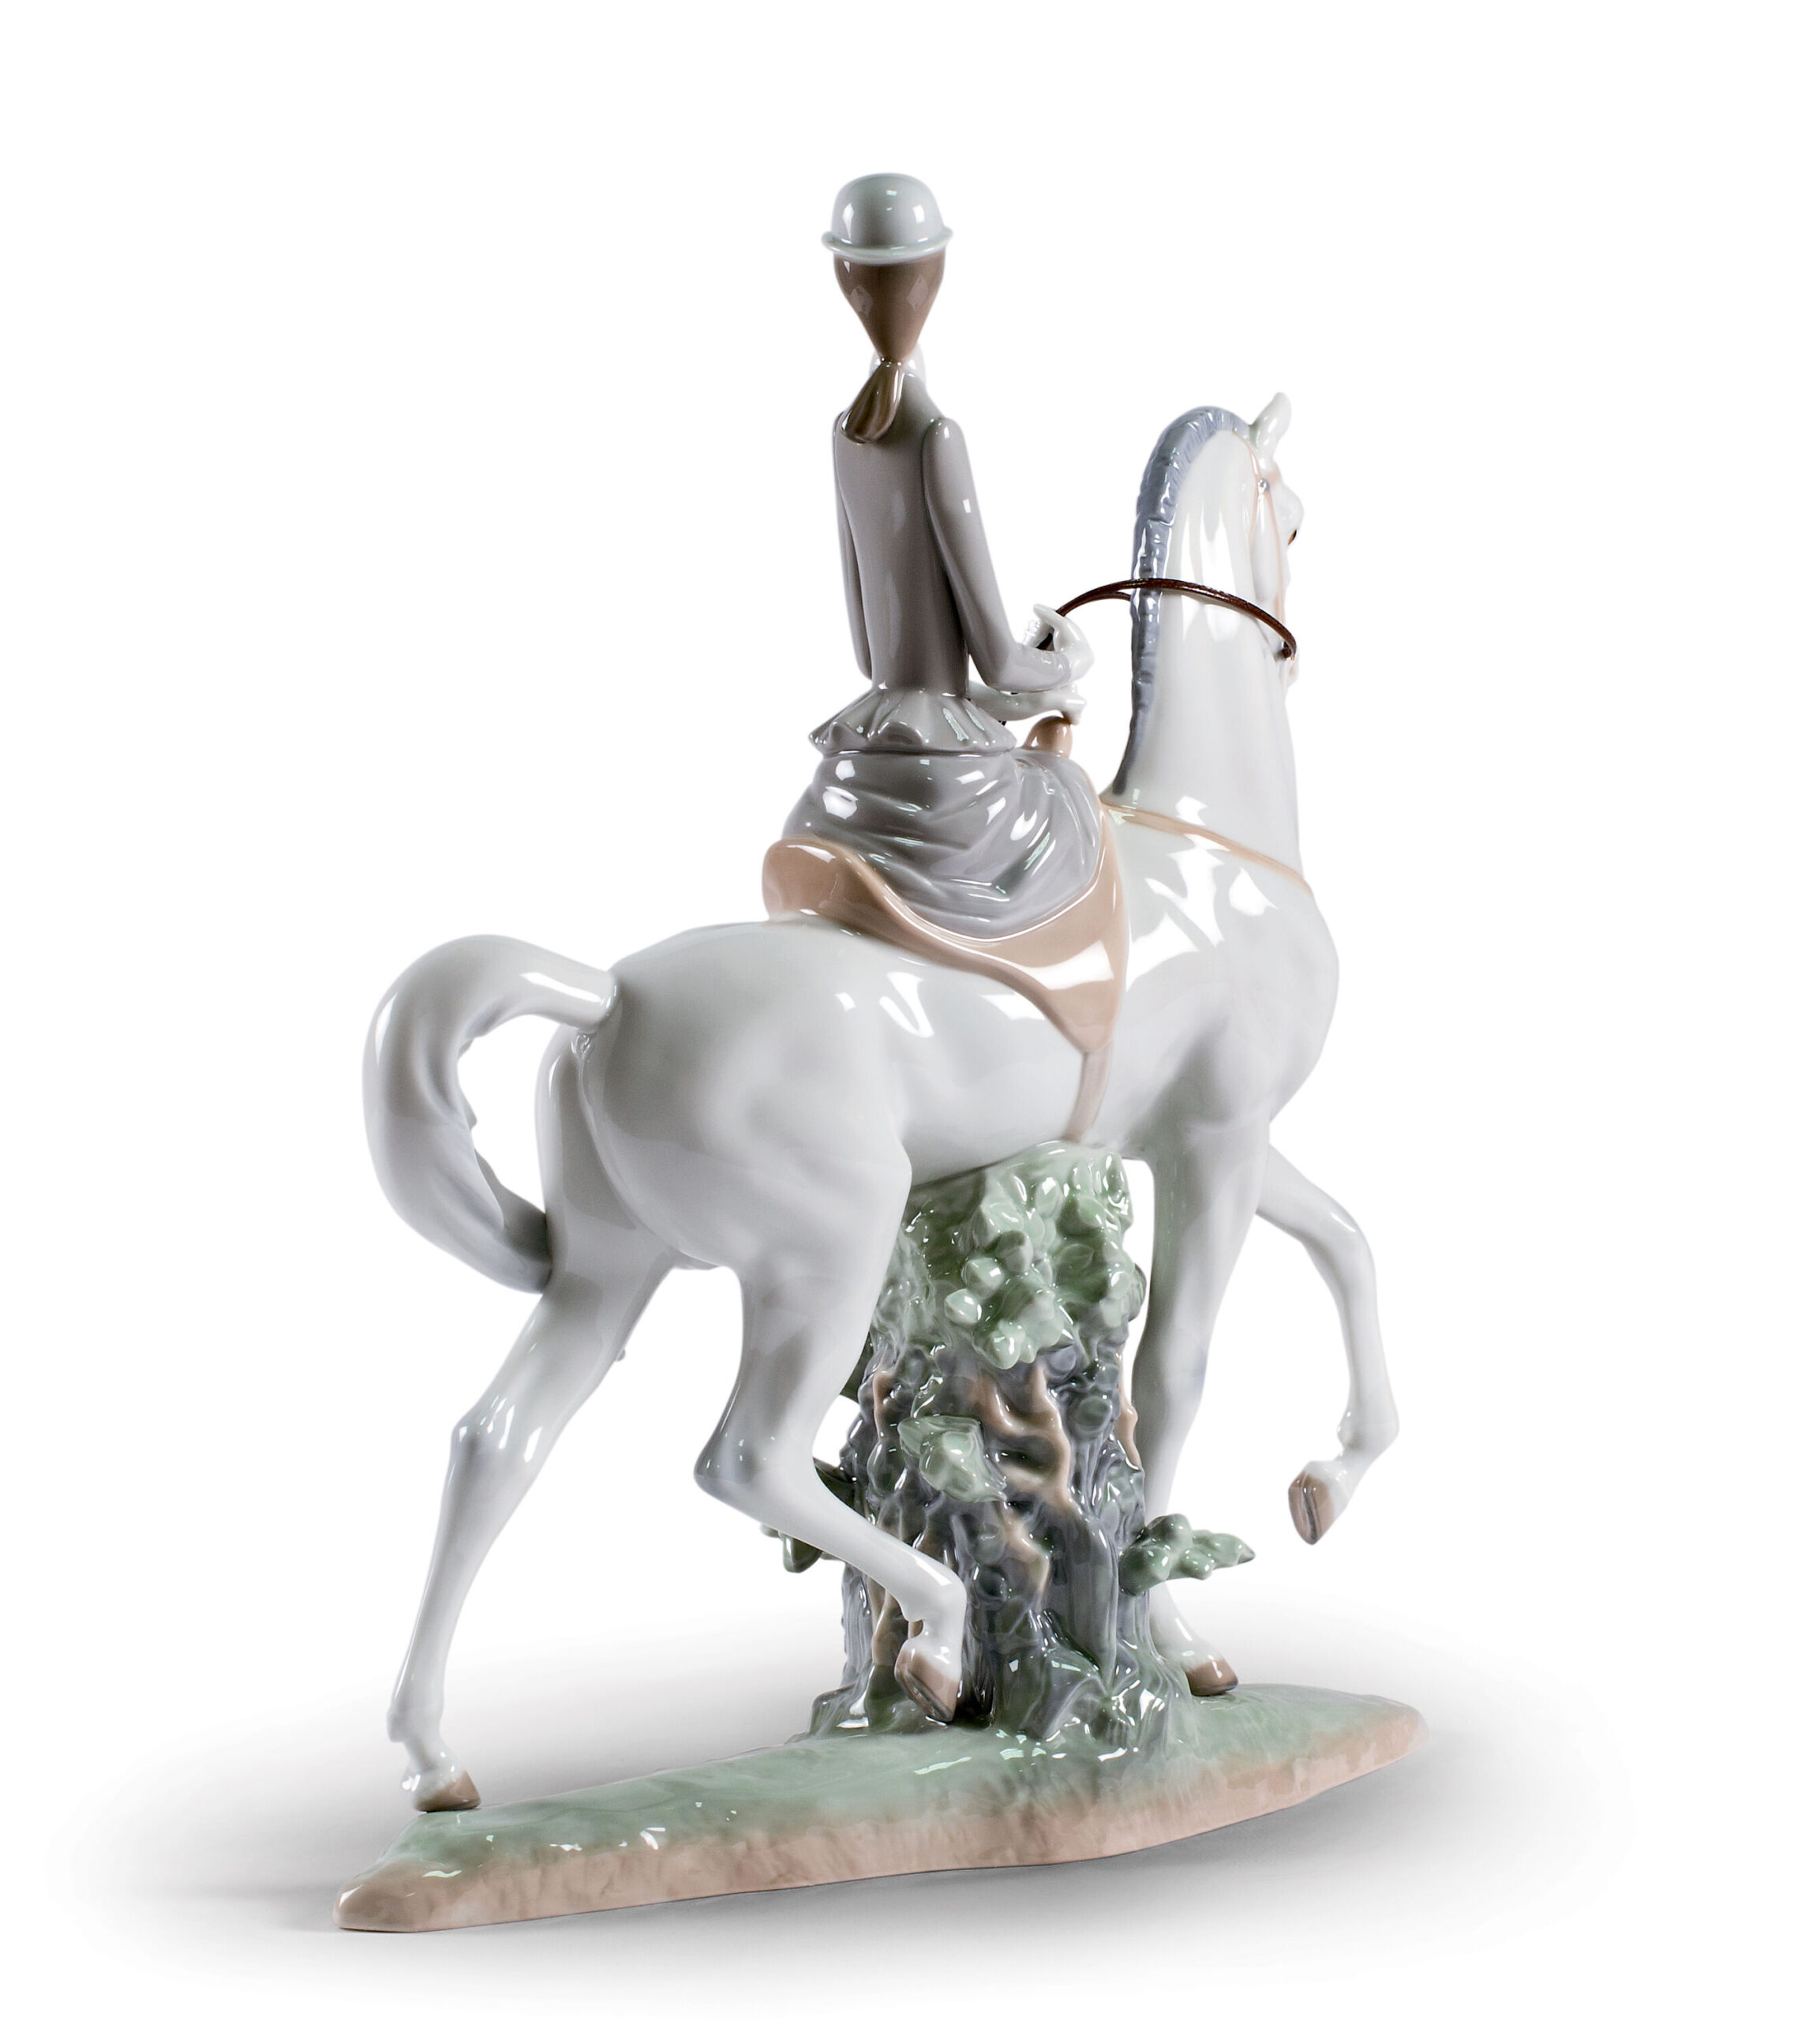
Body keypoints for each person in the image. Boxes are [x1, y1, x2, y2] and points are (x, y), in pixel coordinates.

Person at [781, 174, 1103, 939]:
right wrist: (1064, 662)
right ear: (935, 273)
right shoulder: (935, 435)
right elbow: (999, 658)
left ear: (845, 277)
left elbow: (870, 654)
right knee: (1073, 804)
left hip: (865, 741)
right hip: (941, 774)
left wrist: (974, 700)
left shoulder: (845, 431)